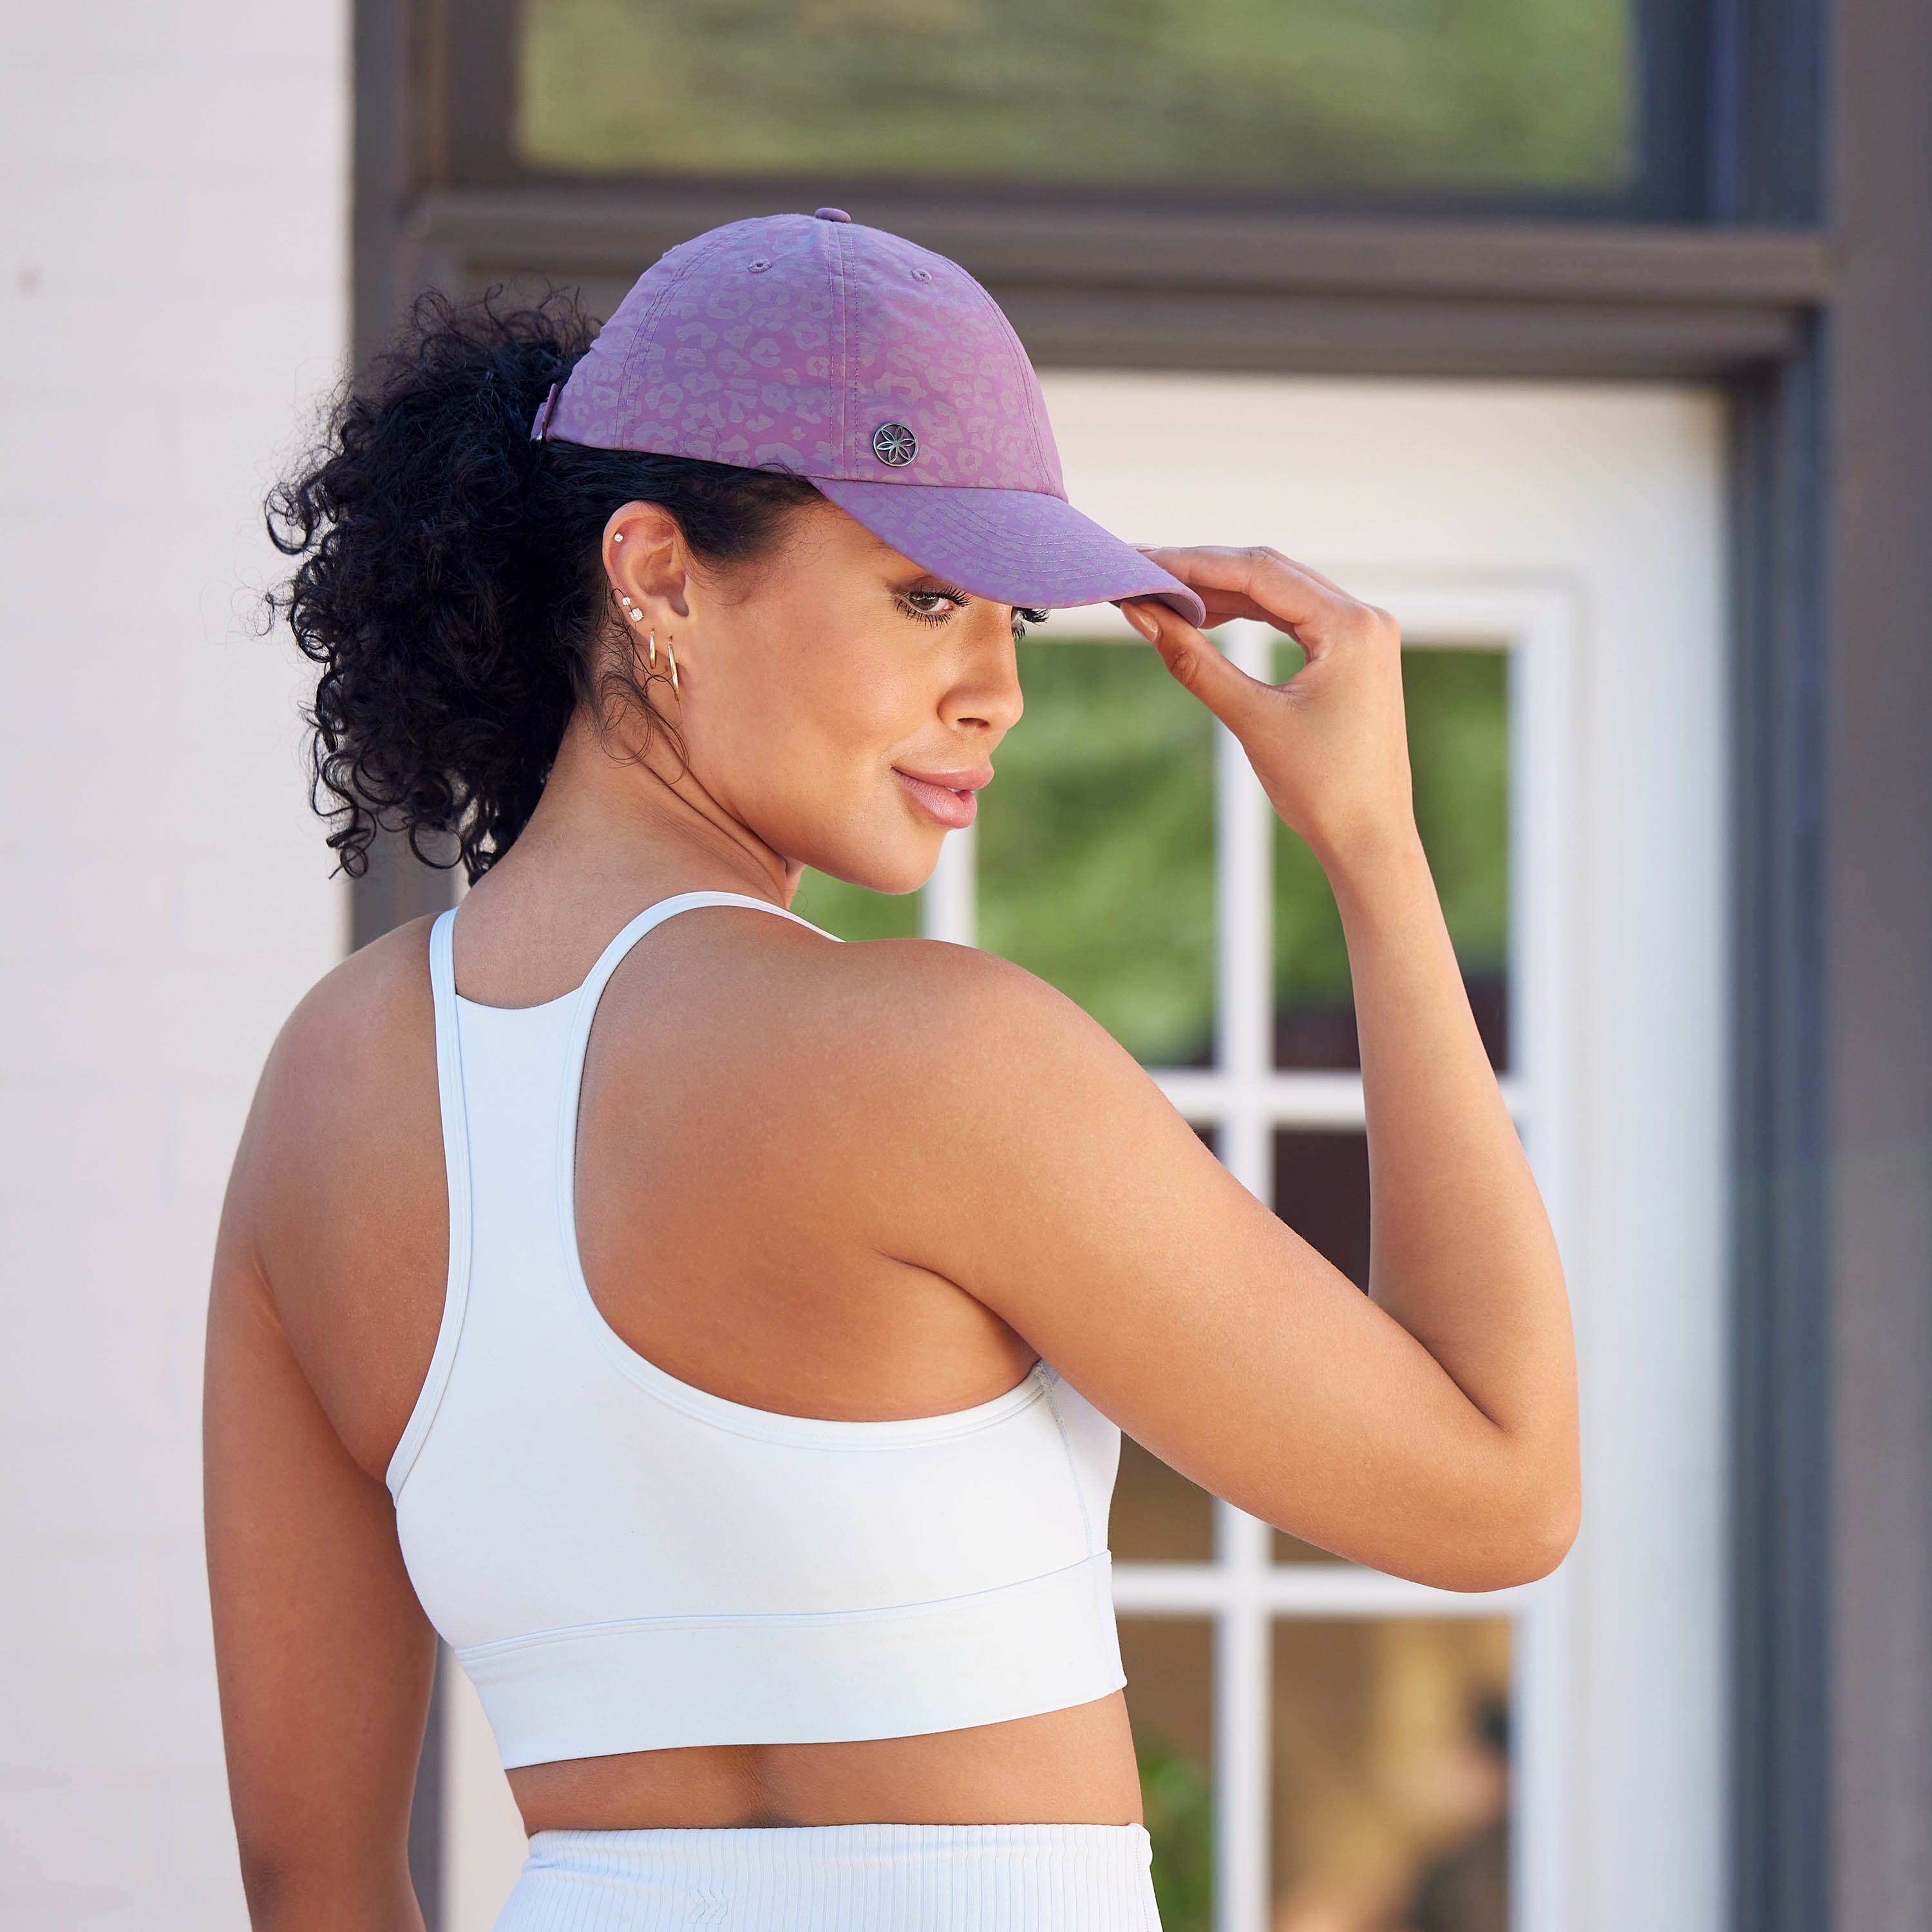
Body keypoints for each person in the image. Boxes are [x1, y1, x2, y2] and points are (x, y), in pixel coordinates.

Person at [204, 209, 1578, 1932]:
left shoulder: (326, 1091)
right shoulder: (935, 1059)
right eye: (926, 595)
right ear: (654, 573)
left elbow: (307, 1876)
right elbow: (1503, 1493)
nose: (996, 690)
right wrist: (1375, 850)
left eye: (1008, 614)